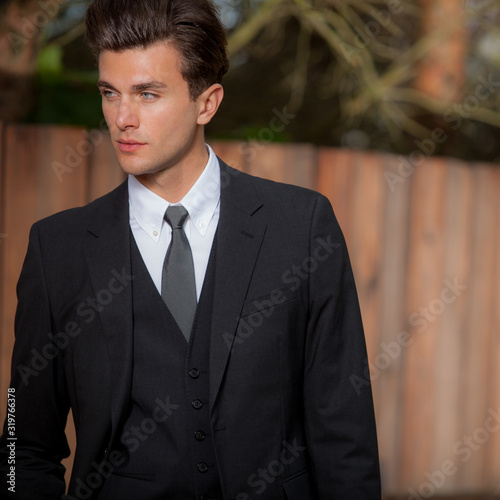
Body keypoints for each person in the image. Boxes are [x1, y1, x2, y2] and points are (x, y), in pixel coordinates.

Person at [0, 0, 381, 498]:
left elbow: (345, 433)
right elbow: (20, 448)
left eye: (147, 94)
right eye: (110, 93)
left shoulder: (301, 228)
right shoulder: (58, 249)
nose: (122, 118)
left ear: (207, 102)